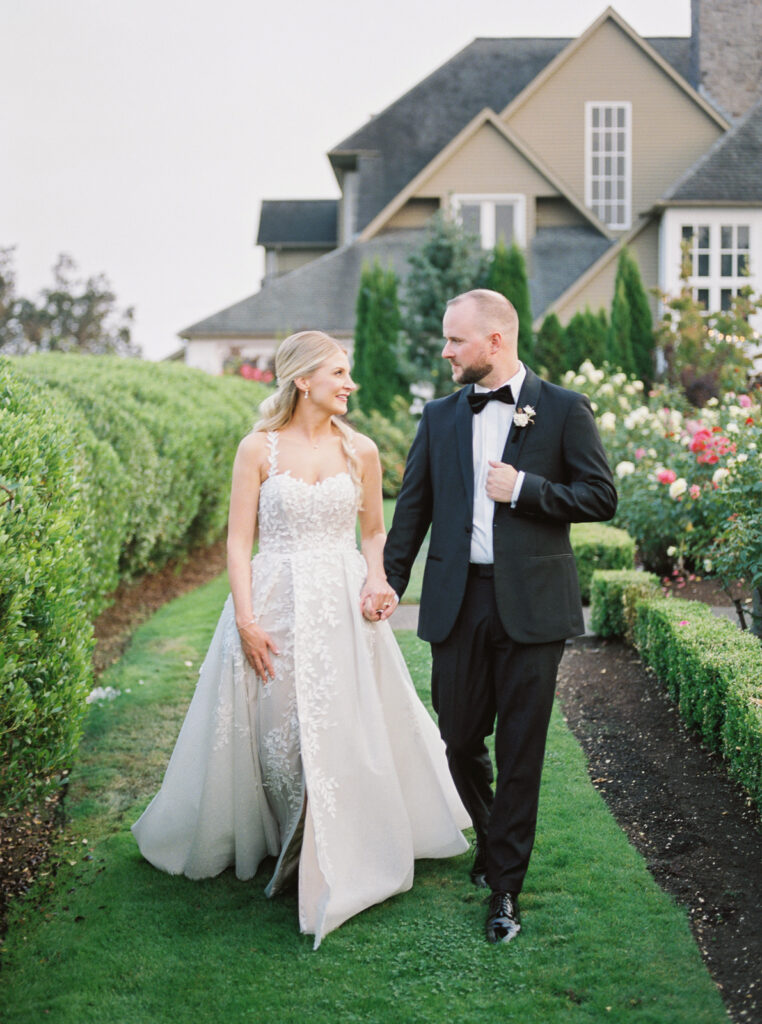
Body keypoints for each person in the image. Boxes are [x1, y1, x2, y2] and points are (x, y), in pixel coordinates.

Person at [132, 330, 469, 949]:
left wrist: (376, 579)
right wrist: (245, 619)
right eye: (339, 373)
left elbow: (374, 533)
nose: (350, 384)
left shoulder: (361, 450)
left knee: (341, 724)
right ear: (303, 380)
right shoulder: (256, 449)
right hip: (275, 602)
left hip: (343, 604)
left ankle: (326, 850)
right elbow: (238, 542)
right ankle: (288, 833)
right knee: (280, 728)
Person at [384, 290, 617, 944]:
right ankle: (492, 842)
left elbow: (601, 495)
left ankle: (506, 890)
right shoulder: (438, 417)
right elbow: (412, 511)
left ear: (495, 341)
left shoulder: (565, 410)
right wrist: (389, 581)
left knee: (520, 753)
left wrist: (526, 490)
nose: (446, 350)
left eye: (456, 340)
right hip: (458, 602)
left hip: (533, 607)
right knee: (458, 741)